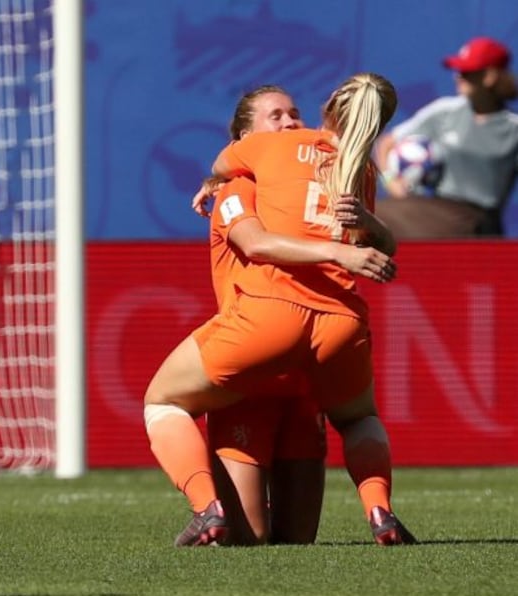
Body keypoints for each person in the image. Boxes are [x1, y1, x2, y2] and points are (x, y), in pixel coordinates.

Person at [145, 72, 416, 547]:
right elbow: (376, 243)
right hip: (323, 342)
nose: (292, 122)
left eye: (295, 113)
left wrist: (217, 180)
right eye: (278, 116)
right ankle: (379, 509)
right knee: (273, 538)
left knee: (278, 544)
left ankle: (204, 507)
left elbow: (258, 242)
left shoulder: (260, 173)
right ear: (245, 136)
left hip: (266, 350)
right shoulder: (350, 169)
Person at [374, 36, 518, 238]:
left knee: (376, 221)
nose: (457, 76)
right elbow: (387, 143)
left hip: (477, 222)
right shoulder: (445, 112)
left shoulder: (513, 129)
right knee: (367, 217)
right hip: (430, 208)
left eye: (466, 71)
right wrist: (391, 181)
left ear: (490, 76)